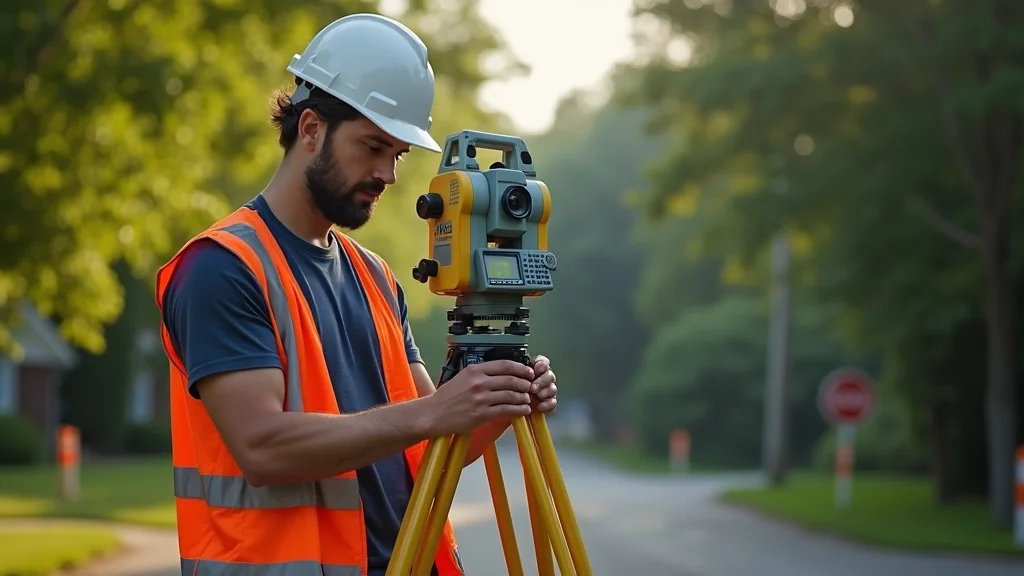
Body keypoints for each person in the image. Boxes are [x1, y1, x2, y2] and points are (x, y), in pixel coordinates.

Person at [153, 13, 558, 576]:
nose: (388, 175)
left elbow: (437, 441)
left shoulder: (375, 277)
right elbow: (262, 447)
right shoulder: (222, 268)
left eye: (397, 155)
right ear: (312, 128)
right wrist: (434, 411)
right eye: (372, 147)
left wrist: (501, 396)